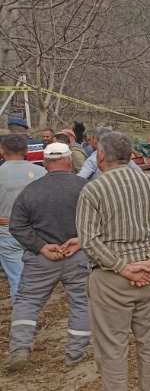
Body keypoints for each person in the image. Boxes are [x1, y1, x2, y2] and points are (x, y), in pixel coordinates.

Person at [76, 131, 150, 391]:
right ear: (131, 155)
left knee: (112, 347)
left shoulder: (92, 189)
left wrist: (123, 267)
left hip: (111, 279)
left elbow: (88, 241)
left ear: (100, 156)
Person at [3, 143, 90, 371]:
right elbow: (100, 222)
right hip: (78, 256)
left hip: (41, 260)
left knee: (28, 302)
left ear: (43, 162)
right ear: (70, 161)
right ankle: (75, 353)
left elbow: (17, 226)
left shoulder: (31, 190)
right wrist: (81, 241)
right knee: (82, 302)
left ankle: (20, 349)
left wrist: (41, 247)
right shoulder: (85, 187)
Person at [0, 135, 48, 303]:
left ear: (1, 151)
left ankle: (23, 318)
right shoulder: (42, 172)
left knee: (18, 280)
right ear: (27, 151)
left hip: (9, 234)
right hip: (38, 234)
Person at [77, 127, 141, 180]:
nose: (90, 142)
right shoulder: (122, 157)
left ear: (95, 140)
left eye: (91, 139)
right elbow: (139, 172)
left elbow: (80, 179)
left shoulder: (92, 159)